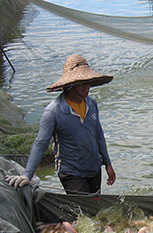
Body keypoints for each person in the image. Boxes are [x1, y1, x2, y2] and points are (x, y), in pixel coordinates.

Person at [6, 54, 116, 195]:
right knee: (83, 210)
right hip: (71, 172)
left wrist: (107, 163)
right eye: (82, 84)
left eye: (88, 83)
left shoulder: (91, 103)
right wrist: (27, 174)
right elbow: (41, 143)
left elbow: (98, 134)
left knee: (95, 207)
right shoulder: (53, 112)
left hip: (93, 168)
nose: (86, 88)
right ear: (70, 84)